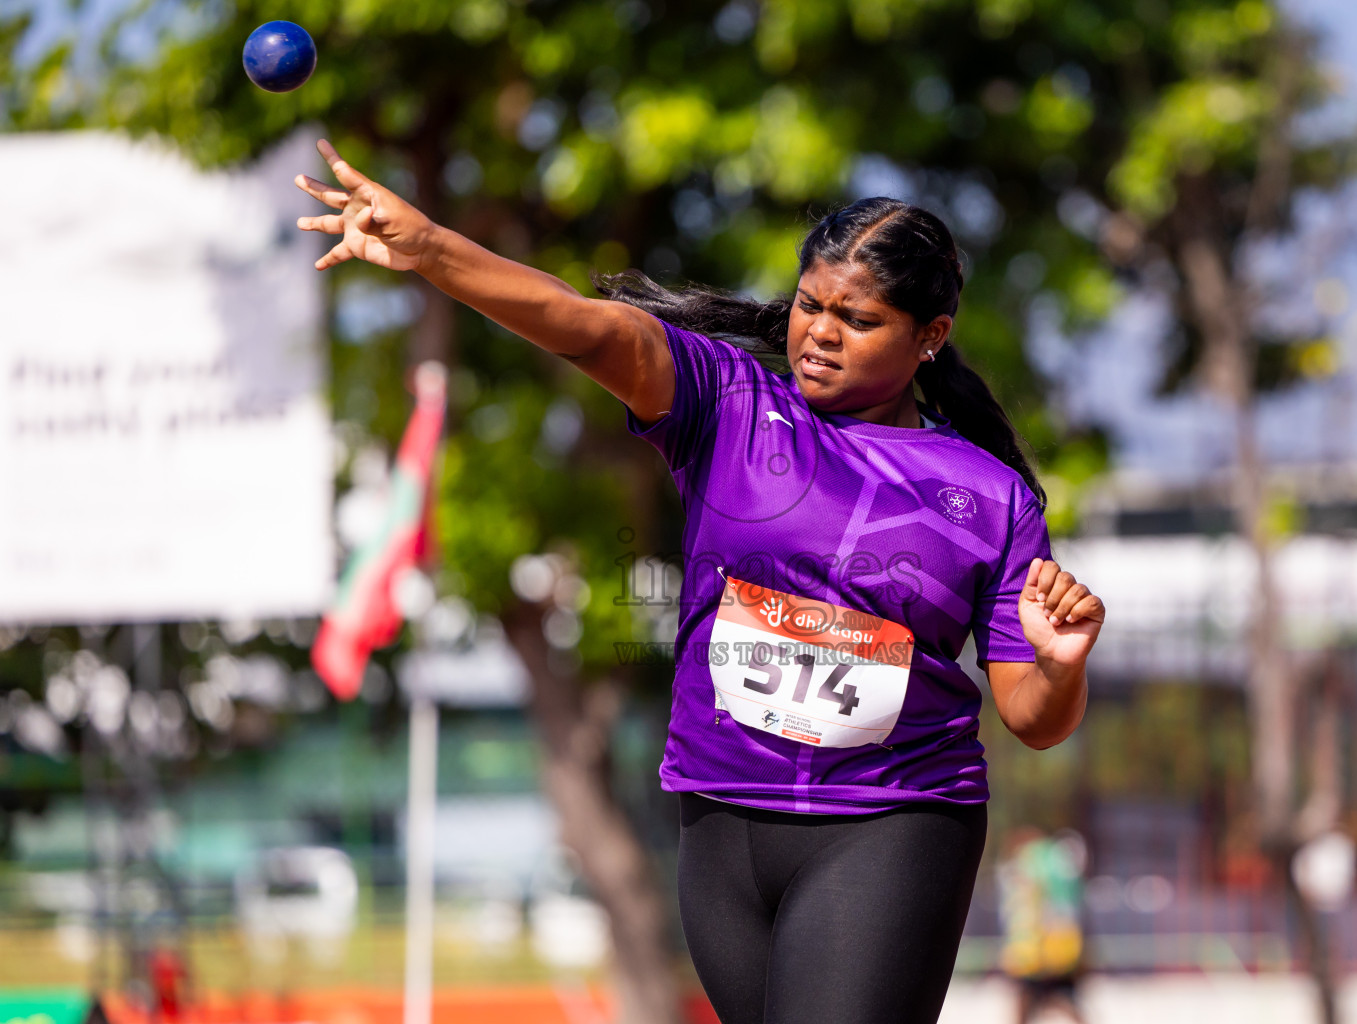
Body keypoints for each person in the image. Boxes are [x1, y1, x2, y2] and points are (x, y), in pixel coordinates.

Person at [294, 138, 1105, 1024]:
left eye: (858, 319)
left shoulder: (989, 494)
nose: (821, 335)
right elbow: (587, 323)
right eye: (809, 306)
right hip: (720, 825)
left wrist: (1060, 665)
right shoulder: (728, 406)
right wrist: (431, 250)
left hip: (893, 824)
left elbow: (1032, 717)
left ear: (930, 337)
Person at [996, 828, 1087, 1023]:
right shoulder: (1056, 862)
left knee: (1028, 1004)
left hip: (1037, 955)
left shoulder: (1032, 865)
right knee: (1064, 1003)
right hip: (1059, 951)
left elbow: (1025, 916)